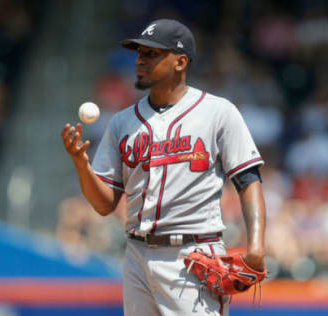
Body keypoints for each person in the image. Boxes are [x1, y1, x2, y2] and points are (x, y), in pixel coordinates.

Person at [61, 19, 266, 316]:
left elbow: (248, 179)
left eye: (152, 53)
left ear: (181, 61)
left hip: (192, 256)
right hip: (136, 254)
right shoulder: (121, 122)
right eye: (139, 52)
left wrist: (257, 245)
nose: (141, 60)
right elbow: (105, 205)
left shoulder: (218, 112)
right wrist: (82, 165)